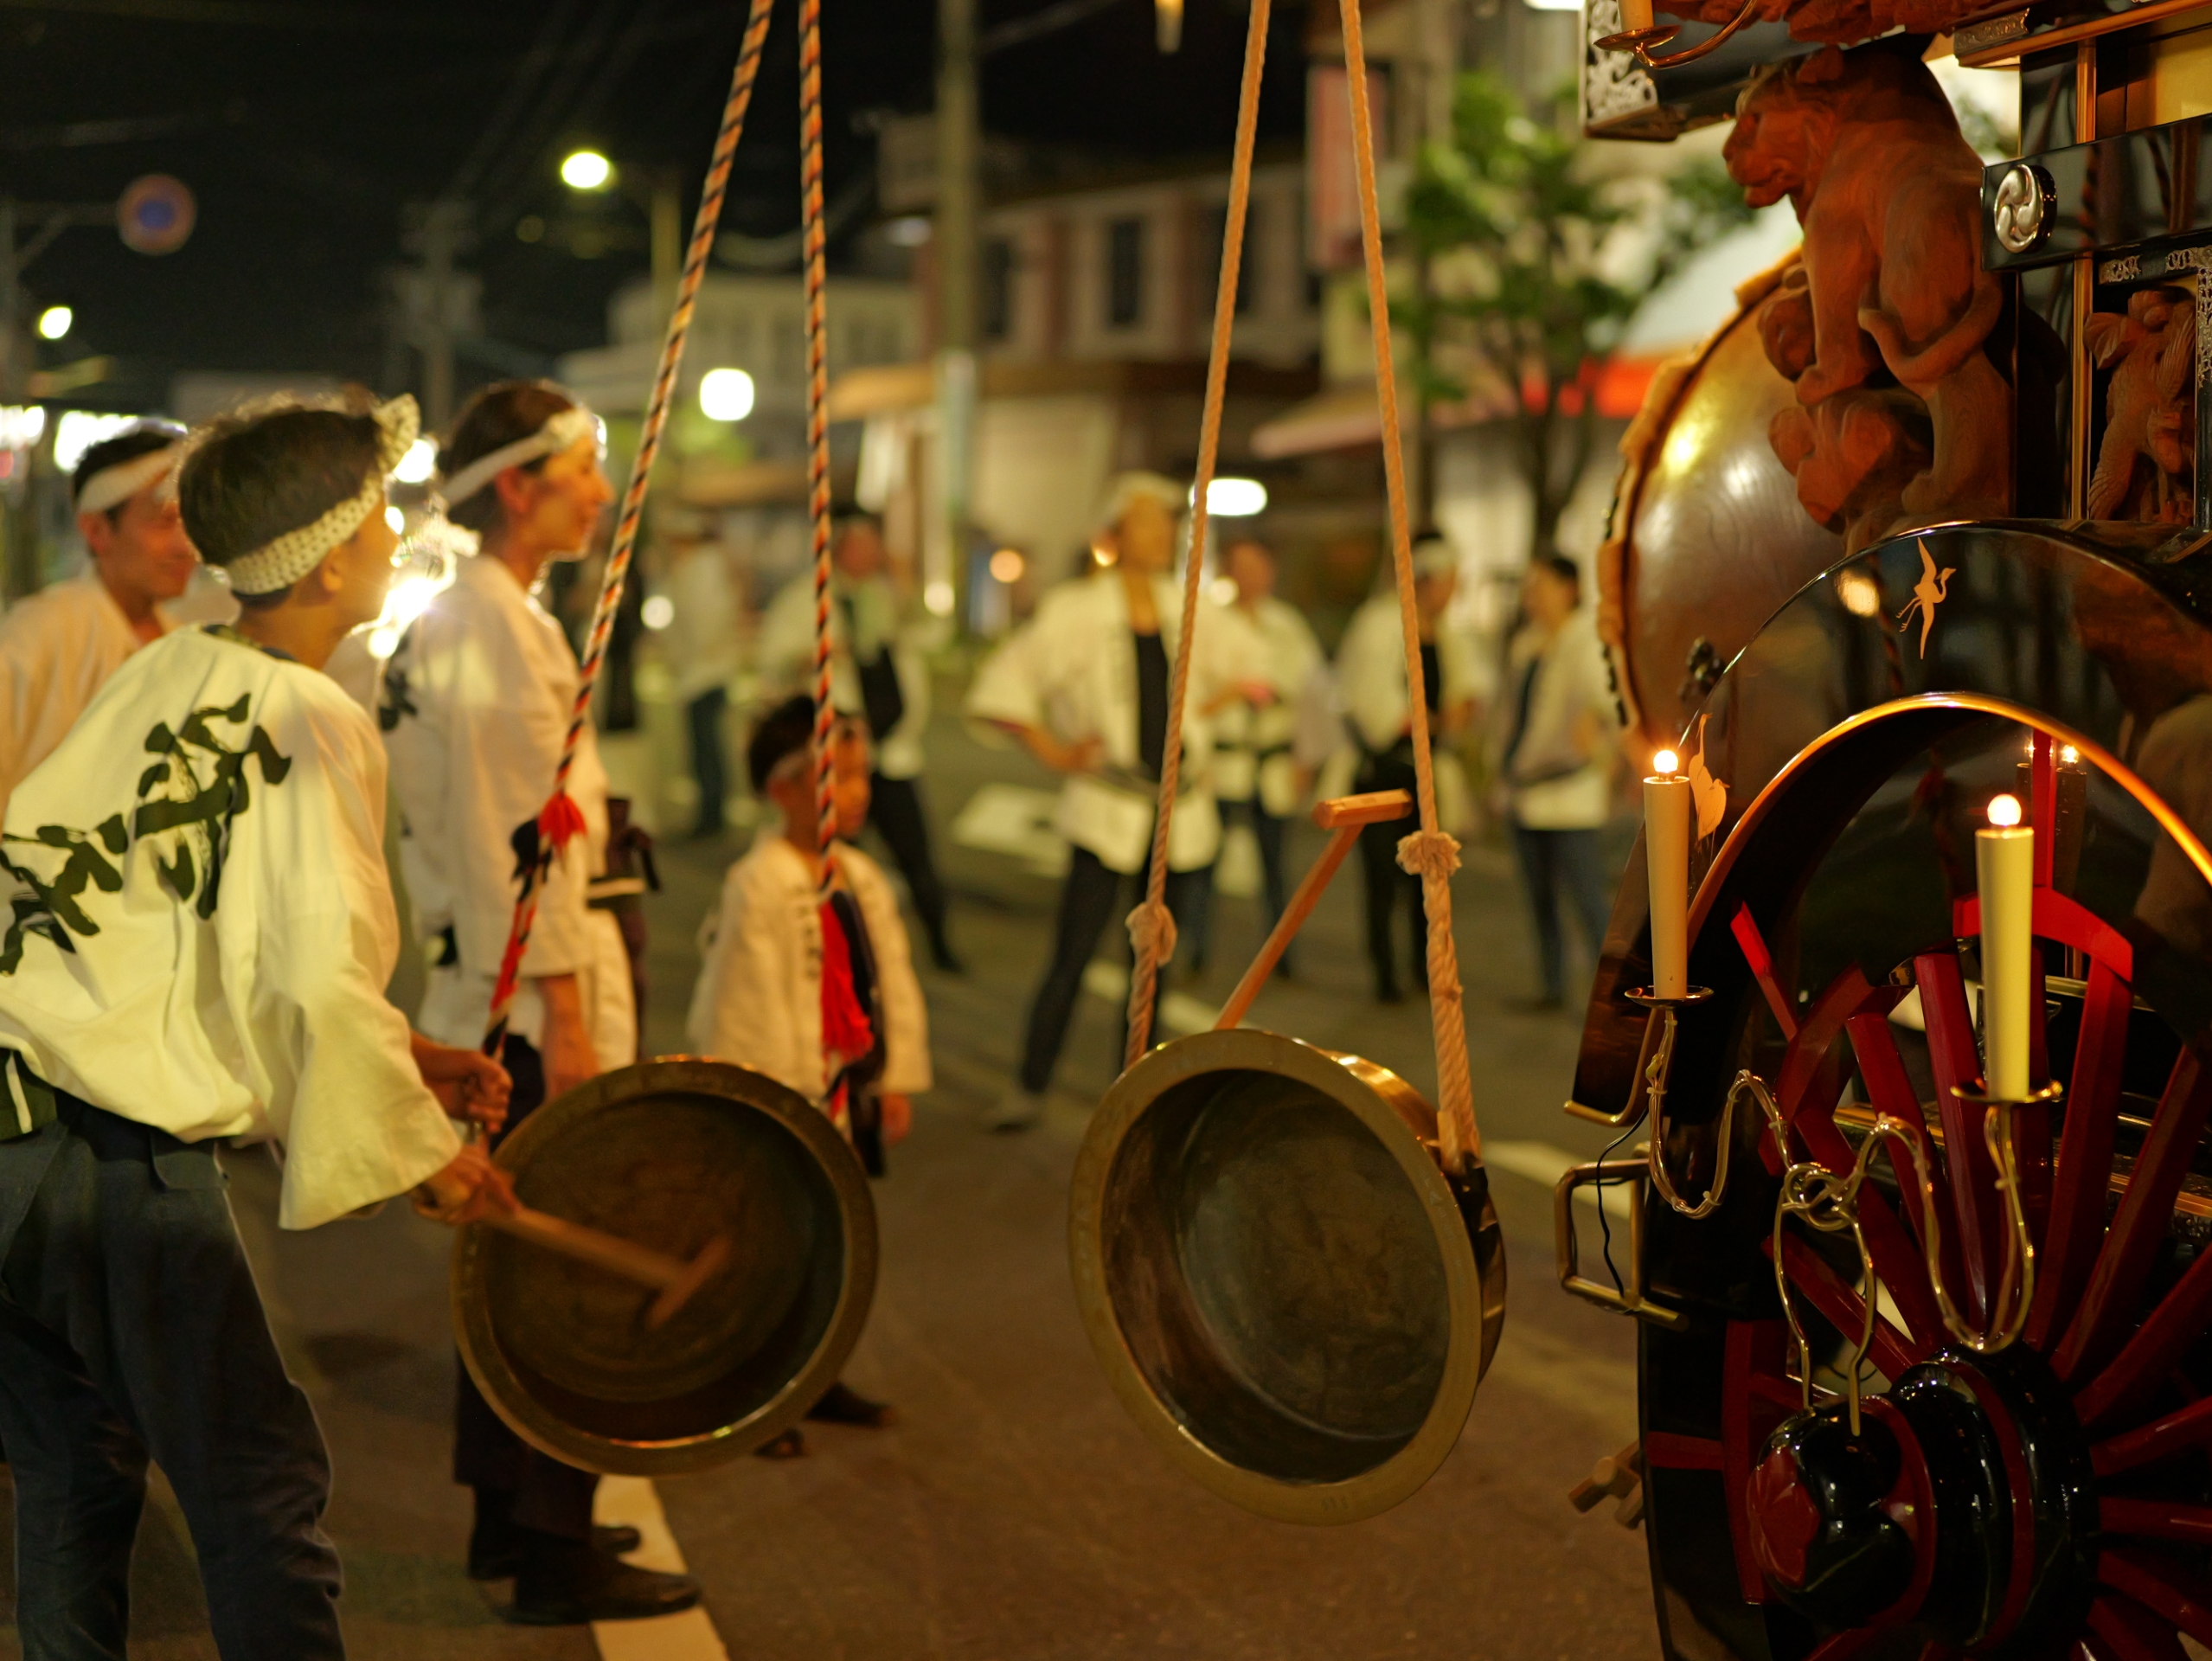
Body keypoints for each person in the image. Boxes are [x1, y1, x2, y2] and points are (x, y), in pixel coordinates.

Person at [0, 392, 521, 1661]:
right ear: (330, 557)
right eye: (381, 516)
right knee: (256, 1482)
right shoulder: (306, 715)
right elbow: (313, 975)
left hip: (9, 1092)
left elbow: (195, 932)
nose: (397, 537)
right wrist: (428, 1153)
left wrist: (407, 1060)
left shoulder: (172, 665)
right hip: (96, 1148)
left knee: (72, 1464)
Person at [375, 380, 693, 1623]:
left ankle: (505, 1523)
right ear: (516, 486)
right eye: (579, 472)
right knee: (559, 1277)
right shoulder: (496, 628)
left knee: (506, 1264)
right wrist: (564, 1012)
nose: (600, 495)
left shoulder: (476, 615)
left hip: (487, 980)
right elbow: (521, 839)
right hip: (526, 993)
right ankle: (554, 1548)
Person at [687, 695, 923, 1454]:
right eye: (837, 776)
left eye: (861, 775)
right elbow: (748, 1002)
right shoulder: (759, 882)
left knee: (831, 1241)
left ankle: (816, 1374)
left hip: (843, 1091)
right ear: (782, 788)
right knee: (770, 1244)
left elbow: (890, 981)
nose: (856, 793)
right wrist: (784, 1103)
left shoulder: (859, 876)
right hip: (789, 1098)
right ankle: (760, 1391)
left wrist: (889, 1078)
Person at [967, 471, 1239, 1129]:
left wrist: (1205, 724)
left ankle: (1140, 1094)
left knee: (1154, 965)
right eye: (1147, 520)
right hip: (1105, 806)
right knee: (1072, 954)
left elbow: (1254, 671)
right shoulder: (1076, 608)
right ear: (1114, 533)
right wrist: (1055, 751)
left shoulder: (1188, 607)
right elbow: (1004, 685)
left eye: (1166, 520)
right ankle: (1030, 1085)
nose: (1162, 532)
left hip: (1175, 813)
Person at [758, 511, 959, 969]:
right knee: (842, 860)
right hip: (840, 757)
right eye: (859, 546)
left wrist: (909, 585)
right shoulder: (806, 600)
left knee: (917, 854)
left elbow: (931, 633)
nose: (869, 556)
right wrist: (818, 656)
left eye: (874, 546)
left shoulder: (885, 598)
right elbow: (773, 664)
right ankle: (849, 952)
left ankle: (940, 942)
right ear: (839, 549)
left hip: (894, 753)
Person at [0, 422, 213, 818]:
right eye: (163, 521)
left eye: (189, 523)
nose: (185, 546)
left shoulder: (186, 642)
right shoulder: (44, 629)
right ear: (97, 530)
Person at [1337, 536, 1480, 1003]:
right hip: (1385, 770)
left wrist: (1456, 714)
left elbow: (1469, 691)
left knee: (1429, 876)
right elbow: (1369, 703)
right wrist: (1424, 721)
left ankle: (1425, 966)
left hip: (1428, 773)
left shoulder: (1450, 636)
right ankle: (1386, 974)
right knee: (1382, 877)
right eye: (1447, 583)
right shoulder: (1380, 626)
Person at [1189, 535, 1321, 975]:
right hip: (1224, 763)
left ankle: (1283, 957)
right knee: (1204, 860)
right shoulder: (1210, 622)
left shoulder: (1287, 626)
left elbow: (1307, 696)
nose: (1249, 577)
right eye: (1240, 567)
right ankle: (1194, 951)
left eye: (1257, 567)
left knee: (1276, 867)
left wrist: (1305, 760)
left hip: (1273, 761)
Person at [1493, 554, 1618, 1011]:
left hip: (1569, 793)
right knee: (1540, 899)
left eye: (1541, 585)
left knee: (1587, 898)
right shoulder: (1526, 644)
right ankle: (1552, 985)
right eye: (1530, 587)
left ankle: (1613, 996)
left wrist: (1596, 727)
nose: (1533, 596)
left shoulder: (1586, 639)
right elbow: (1510, 715)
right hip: (1525, 790)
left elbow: (1607, 699)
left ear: (1569, 588)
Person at [658, 510, 740, 837]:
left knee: (707, 747)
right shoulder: (696, 568)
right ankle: (709, 810)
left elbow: (704, 622)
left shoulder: (702, 569)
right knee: (704, 746)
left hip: (705, 672)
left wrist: (687, 654)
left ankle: (712, 812)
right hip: (698, 672)